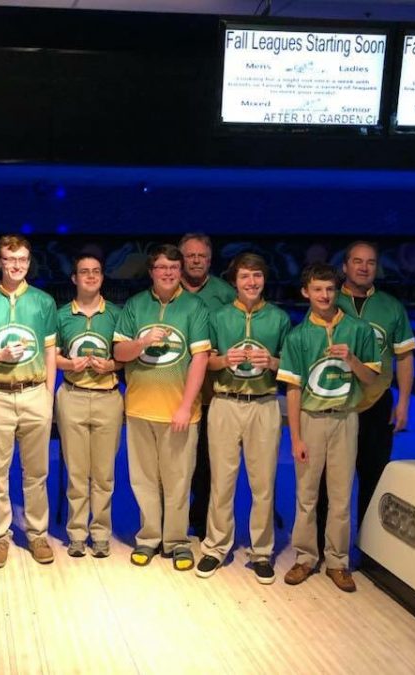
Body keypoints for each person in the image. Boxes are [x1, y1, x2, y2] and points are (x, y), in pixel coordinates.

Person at [277, 263, 380, 593]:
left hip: (345, 419)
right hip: (311, 420)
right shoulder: (297, 336)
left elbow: (372, 378)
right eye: (317, 289)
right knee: (306, 495)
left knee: (340, 496)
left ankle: (337, 561)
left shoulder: (359, 330)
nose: (324, 295)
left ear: (338, 292)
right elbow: (293, 390)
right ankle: (306, 557)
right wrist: (294, 437)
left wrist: (352, 360)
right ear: (306, 292)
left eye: (330, 289)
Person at [0, 235, 58, 568]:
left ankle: (37, 534)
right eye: (9, 259)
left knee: (37, 472)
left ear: (28, 263)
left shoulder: (43, 302)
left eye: (22, 260)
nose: (16, 265)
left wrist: (48, 394)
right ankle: (0, 536)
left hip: (34, 394)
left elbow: (48, 350)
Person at [114, 244, 210, 571]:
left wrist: (185, 406)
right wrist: (142, 342)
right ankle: (149, 538)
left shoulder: (194, 307)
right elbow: (120, 353)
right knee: (143, 480)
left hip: (179, 413)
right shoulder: (135, 306)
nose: (167, 273)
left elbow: (200, 358)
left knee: (178, 481)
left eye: (173, 267)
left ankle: (177, 541)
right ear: (152, 272)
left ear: (180, 271)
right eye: (161, 267)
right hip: (139, 408)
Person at [196, 253, 290, 584]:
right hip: (224, 402)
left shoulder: (278, 318)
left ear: (264, 280)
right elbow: (205, 361)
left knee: (263, 484)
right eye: (245, 276)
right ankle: (215, 547)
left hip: (264, 404)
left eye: (257, 276)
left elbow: (290, 367)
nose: (251, 282)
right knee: (221, 482)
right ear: (235, 281)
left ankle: (261, 552)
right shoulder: (218, 316)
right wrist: (223, 361)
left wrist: (273, 361)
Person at [337, 241, 415, 526]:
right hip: (334, 405)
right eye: (357, 261)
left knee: (373, 478)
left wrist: (403, 404)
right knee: (329, 482)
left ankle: (369, 547)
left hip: (376, 403)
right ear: (345, 266)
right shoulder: (328, 301)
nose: (363, 267)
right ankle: (323, 548)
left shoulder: (391, 306)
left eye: (370, 262)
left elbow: (404, 357)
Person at [55, 254, 123, 559]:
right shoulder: (61, 315)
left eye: (96, 271)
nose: (91, 276)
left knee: (104, 473)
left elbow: (125, 356)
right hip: (72, 396)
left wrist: (112, 365)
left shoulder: (118, 315)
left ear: (102, 277)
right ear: (74, 279)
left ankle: (101, 533)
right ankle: (77, 534)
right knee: (77, 472)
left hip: (108, 398)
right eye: (84, 272)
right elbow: (51, 357)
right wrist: (69, 363)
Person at [179, 233, 235, 539]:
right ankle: (169, 520)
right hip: (172, 392)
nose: (196, 261)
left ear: (210, 260)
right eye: (190, 255)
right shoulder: (168, 287)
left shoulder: (226, 294)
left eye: (201, 256)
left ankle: (200, 520)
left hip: (213, 395)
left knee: (206, 464)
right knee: (173, 464)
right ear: (181, 258)